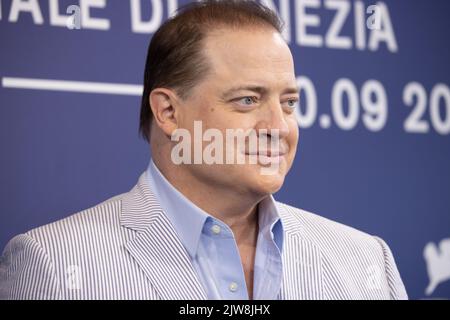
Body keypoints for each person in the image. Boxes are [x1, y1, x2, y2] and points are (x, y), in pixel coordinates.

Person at [0, 0, 407, 300]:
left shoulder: (366, 261)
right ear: (168, 112)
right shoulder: (53, 264)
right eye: (248, 100)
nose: (278, 128)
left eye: (289, 103)